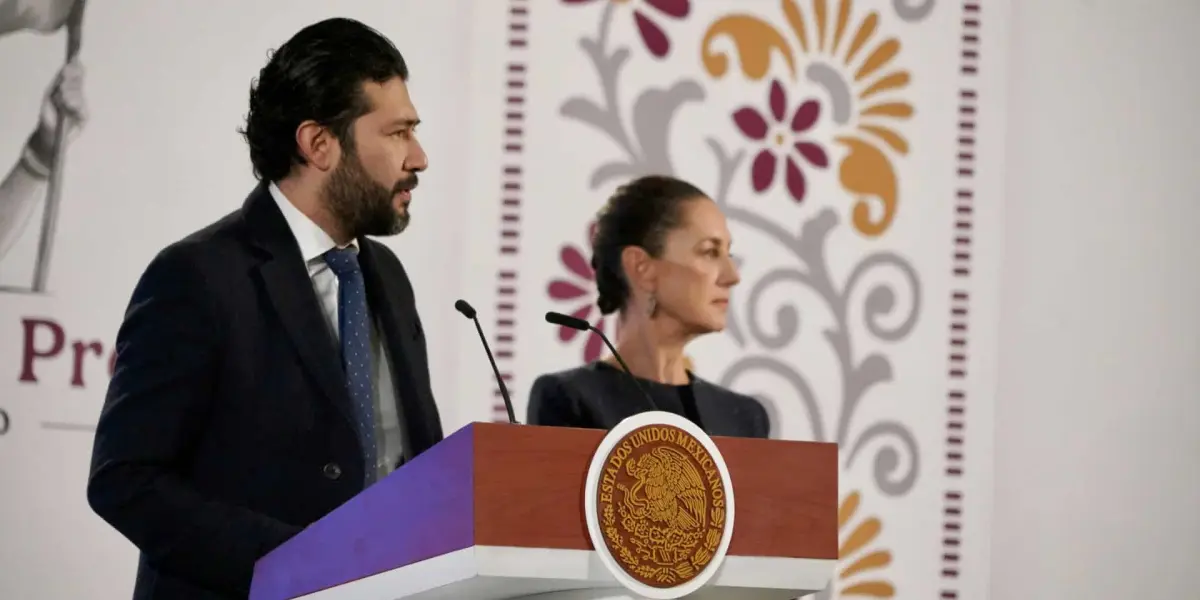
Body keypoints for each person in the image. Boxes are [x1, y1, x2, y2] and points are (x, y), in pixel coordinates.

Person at [86, 18, 443, 600]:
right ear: (319, 143)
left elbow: (411, 462)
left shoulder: (387, 277)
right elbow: (126, 481)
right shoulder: (197, 276)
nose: (420, 157)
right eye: (398, 132)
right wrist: (298, 564)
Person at [527, 175, 769, 438]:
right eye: (709, 252)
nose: (732, 276)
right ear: (642, 268)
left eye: (728, 254)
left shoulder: (746, 418)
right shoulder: (568, 399)